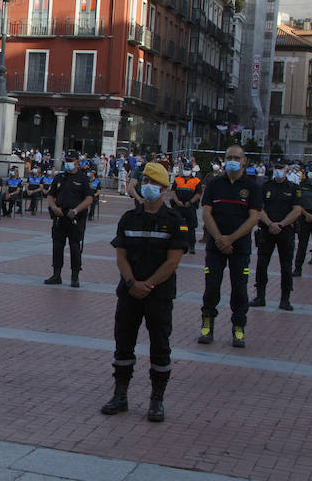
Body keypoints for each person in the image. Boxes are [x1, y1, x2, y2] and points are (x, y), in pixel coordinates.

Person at [101, 161, 187, 423]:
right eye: (145, 181)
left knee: (160, 346)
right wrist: (131, 283)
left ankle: (156, 400)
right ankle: (120, 394)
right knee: (123, 343)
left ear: (164, 189)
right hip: (129, 293)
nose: (148, 187)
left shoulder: (175, 221)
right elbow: (121, 256)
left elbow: (173, 262)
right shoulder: (129, 218)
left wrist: (147, 284)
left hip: (158, 295)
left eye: (154, 184)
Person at [197, 145, 262, 348]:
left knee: (240, 289)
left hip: (239, 248)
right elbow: (207, 213)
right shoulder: (215, 184)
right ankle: (207, 325)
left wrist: (231, 239)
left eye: (236, 157)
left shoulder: (253, 187)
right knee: (211, 287)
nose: (232, 160)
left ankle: (238, 328)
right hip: (215, 247)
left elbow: (254, 218)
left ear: (244, 161)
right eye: (229, 157)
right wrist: (218, 238)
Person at [250, 163, 302, 311]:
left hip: (285, 232)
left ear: (287, 171)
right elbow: (259, 208)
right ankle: (260, 296)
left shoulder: (293, 188)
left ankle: (285, 299)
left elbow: (297, 210)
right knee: (261, 264)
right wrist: (270, 224)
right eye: (277, 168)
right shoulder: (265, 186)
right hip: (267, 231)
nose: (279, 171)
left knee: (286, 267)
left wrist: (281, 225)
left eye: (282, 168)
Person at [45, 152, 95, 287]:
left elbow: (89, 198)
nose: (68, 162)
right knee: (57, 246)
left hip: (76, 218)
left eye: (71, 160)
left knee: (75, 247)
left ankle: (75, 276)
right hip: (60, 216)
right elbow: (50, 195)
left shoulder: (83, 179)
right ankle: (56, 275)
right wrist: (54, 208)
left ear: (77, 162)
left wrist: (76, 210)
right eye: (67, 160)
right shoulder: (59, 177)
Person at [170, 166, 202, 254]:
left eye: (188, 170)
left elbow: (199, 194)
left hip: (190, 207)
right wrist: (177, 201)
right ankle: (176, 244)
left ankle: (191, 246)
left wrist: (191, 202)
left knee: (191, 227)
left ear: (191, 170)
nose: (186, 171)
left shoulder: (196, 181)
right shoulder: (178, 179)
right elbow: (173, 191)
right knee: (176, 225)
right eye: (185, 169)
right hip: (178, 206)